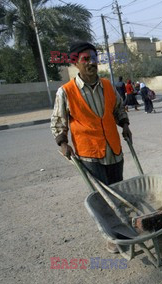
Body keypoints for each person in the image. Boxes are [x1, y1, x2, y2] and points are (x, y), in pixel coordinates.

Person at [50, 41, 132, 254]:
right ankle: (110, 236)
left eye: (94, 58)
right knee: (101, 198)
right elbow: (59, 121)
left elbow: (118, 109)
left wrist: (124, 125)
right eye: (85, 59)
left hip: (113, 150)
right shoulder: (66, 91)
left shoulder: (107, 85)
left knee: (116, 192)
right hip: (89, 154)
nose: (91, 63)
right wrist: (63, 142)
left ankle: (123, 229)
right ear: (75, 63)